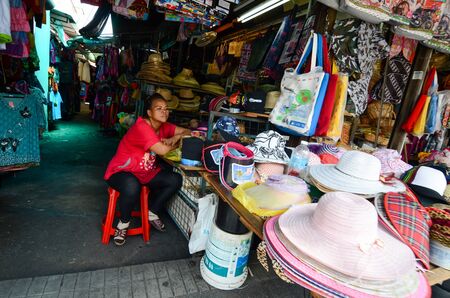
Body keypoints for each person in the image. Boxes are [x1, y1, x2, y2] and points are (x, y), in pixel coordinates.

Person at [104, 93, 191, 245]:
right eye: (159, 108)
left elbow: (188, 132)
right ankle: (123, 224)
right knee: (132, 185)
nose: (164, 111)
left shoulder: (164, 126)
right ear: (149, 113)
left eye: (166, 108)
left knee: (175, 179)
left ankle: (152, 212)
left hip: (144, 172)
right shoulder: (142, 127)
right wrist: (175, 142)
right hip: (122, 171)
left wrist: (176, 137)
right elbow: (163, 151)